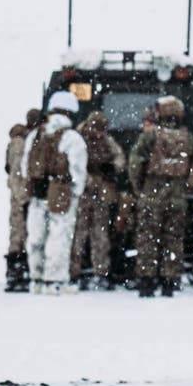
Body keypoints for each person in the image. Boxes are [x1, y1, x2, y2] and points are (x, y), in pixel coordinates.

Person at [129, 96, 193, 298]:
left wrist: (140, 188)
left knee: (148, 239)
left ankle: (146, 282)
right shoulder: (188, 138)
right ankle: (170, 282)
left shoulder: (150, 136)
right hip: (178, 197)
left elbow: (135, 164)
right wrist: (188, 185)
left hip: (151, 195)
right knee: (174, 240)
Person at [21, 92, 88, 295]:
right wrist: (74, 192)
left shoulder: (36, 135)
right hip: (61, 192)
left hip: (37, 191)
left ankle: (36, 279)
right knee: (59, 237)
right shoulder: (73, 138)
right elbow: (78, 170)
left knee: (36, 236)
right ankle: (55, 281)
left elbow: (25, 167)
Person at [71, 112, 127, 290]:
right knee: (78, 235)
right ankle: (74, 273)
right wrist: (89, 179)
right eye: (98, 130)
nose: (100, 134)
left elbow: (119, 158)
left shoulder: (106, 141)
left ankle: (100, 273)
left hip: (101, 194)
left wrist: (112, 168)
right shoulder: (77, 140)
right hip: (82, 193)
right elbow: (74, 165)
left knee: (100, 236)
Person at [3, 108, 43, 293]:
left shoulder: (16, 142)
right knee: (23, 234)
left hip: (17, 195)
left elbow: (9, 168)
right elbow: (21, 172)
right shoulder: (24, 143)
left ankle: (16, 273)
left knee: (17, 234)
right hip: (23, 195)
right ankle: (20, 272)